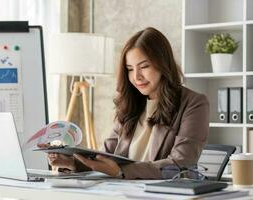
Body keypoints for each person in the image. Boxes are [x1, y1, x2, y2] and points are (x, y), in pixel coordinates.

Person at [44, 27, 209, 179]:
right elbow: (106, 156)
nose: (136, 77)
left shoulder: (194, 104)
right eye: (130, 69)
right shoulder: (130, 104)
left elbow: (181, 165)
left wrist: (121, 171)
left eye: (144, 66)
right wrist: (72, 162)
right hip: (120, 192)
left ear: (163, 64)